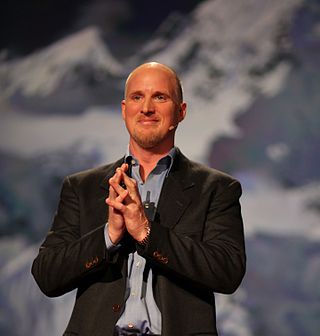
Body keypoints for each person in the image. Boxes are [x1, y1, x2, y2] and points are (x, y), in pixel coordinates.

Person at [32, 62, 246, 336]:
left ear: (180, 112)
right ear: (124, 110)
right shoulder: (82, 187)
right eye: (137, 97)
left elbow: (226, 272)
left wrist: (146, 233)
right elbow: (47, 275)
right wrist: (109, 235)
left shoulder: (216, 188)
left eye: (160, 97)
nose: (146, 108)